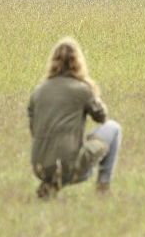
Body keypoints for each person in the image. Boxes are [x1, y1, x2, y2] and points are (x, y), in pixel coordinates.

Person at [27, 37, 122, 199]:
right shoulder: (82, 90)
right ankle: (103, 188)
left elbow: (34, 129)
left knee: (68, 147)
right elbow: (102, 117)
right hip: (68, 167)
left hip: (39, 166)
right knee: (114, 128)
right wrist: (92, 92)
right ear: (78, 62)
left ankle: (50, 185)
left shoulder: (38, 91)